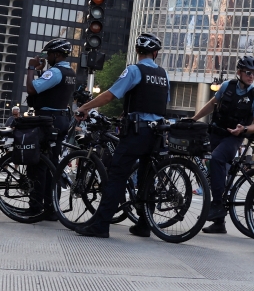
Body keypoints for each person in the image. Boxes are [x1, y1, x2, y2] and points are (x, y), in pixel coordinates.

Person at [76, 34, 169, 238]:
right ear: (155, 53)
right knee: (147, 178)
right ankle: (145, 224)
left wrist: (85, 106)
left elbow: (110, 94)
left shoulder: (134, 70)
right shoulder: (163, 74)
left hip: (137, 132)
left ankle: (100, 225)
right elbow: (163, 103)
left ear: (137, 51)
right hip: (157, 132)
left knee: (117, 175)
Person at [190, 55, 254, 234]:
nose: (251, 76)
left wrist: (244, 129)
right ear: (239, 72)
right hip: (216, 132)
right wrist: (194, 119)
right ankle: (219, 224)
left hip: (234, 137)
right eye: (248, 72)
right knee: (213, 170)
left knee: (217, 159)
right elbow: (212, 104)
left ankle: (217, 205)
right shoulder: (227, 86)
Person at [24, 38, 77, 219]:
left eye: (49, 54)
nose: (47, 57)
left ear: (56, 54)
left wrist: (31, 68)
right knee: (52, 164)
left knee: (39, 163)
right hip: (61, 120)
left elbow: (31, 89)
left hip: (48, 121)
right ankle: (51, 207)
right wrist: (40, 72)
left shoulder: (55, 72)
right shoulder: (70, 72)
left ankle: (35, 207)